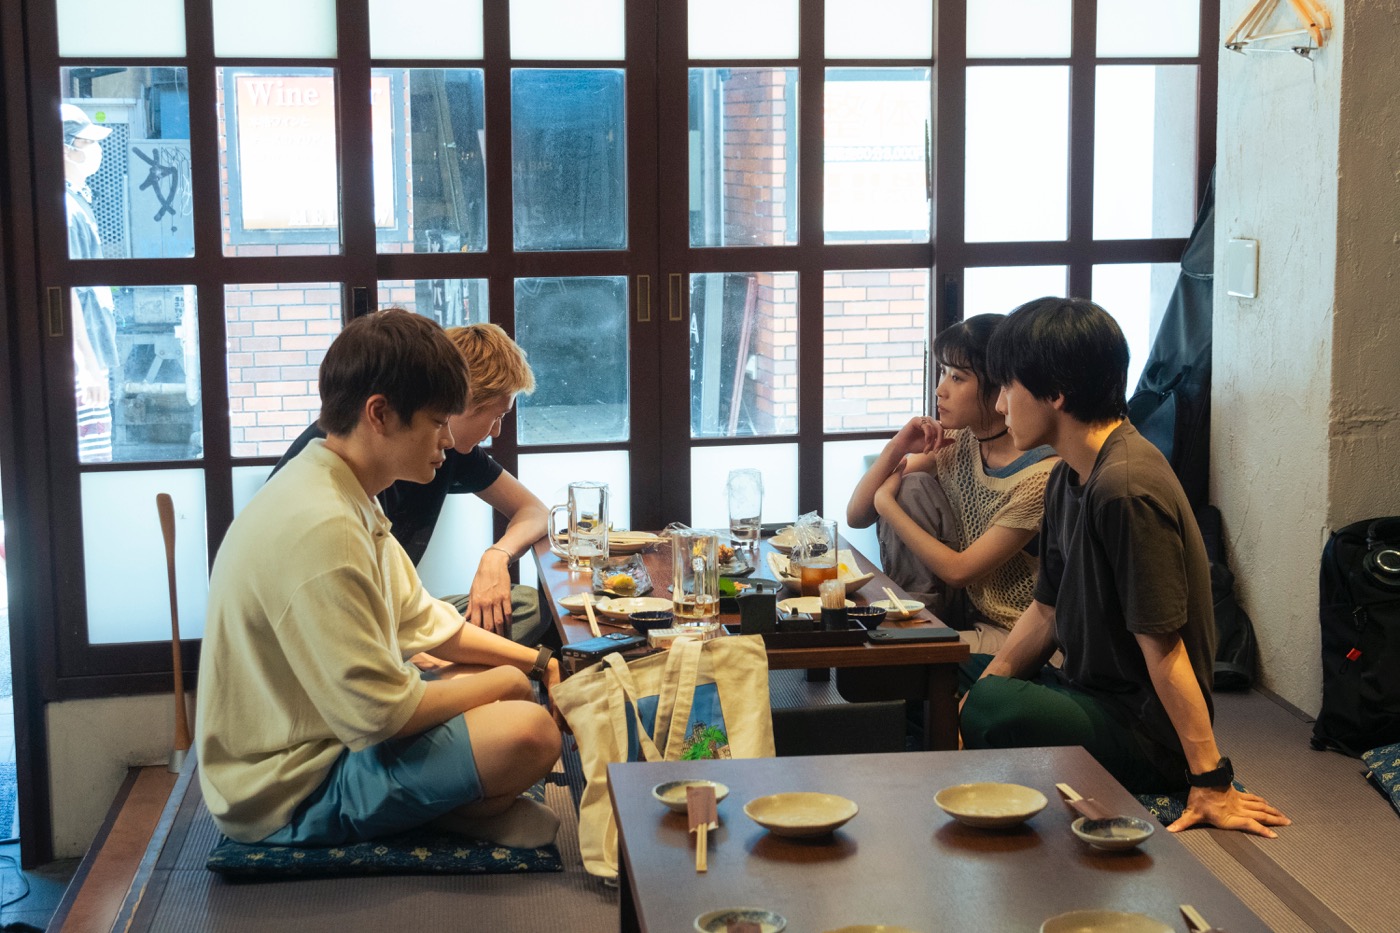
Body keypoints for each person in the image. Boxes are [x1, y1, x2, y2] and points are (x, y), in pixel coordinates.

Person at [196, 310, 563, 848]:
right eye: (437, 421)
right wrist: (510, 681)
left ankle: (455, 810)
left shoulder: (342, 488)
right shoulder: (323, 524)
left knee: (497, 684)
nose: (448, 439)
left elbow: (425, 623)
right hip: (288, 786)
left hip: (329, 732)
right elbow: (378, 715)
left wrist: (539, 662)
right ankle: (450, 812)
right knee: (531, 731)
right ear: (381, 415)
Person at [960, 297, 1290, 838]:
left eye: (1007, 387)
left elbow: (1164, 647)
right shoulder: (1067, 475)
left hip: (1143, 729)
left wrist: (1210, 779)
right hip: (1086, 692)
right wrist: (974, 693)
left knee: (993, 707)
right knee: (950, 673)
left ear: (1055, 393)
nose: (998, 405)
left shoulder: (1125, 487)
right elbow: (1045, 612)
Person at [274, 322, 550, 648]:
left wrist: (497, 555)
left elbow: (535, 511)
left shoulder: (445, 450)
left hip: (393, 617)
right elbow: (331, 628)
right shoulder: (345, 467)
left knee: (530, 607)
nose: (497, 432)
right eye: (496, 416)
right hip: (346, 629)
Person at [847, 313, 1058, 657]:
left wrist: (886, 504)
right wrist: (897, 446)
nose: (940, 389)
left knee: (887, 653)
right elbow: (856, 515)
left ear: (1000, 386)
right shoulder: (961, 441)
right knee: (912, 486)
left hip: (1016, 631)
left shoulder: (1040, 476)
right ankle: (914, 624)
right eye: (943, 372)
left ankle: (914, 639)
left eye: (957, 377)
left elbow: (959, 572)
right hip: (967, 611)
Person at [62, 102, 119, 463]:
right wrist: (86, 364)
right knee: (89, 465)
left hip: (90, 355)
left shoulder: (75, 202)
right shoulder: (65, 211)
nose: (96, 150)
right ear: (64, 149)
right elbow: (65, 292)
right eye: (87, 143)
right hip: (83, 361)